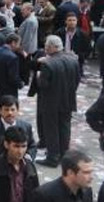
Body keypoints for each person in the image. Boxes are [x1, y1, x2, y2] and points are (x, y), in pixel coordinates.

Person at [35, 35, 81, 167]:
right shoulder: (73, 60)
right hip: (68, 99)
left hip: (51, 102)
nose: (45, 49)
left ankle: (53, 156)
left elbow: (43, 84)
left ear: (51, 47)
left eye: (46, 47)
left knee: (51, 129)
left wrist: (38, 76)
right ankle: (63, 154)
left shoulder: (47, 64)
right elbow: (77, 79)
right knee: (65, 127)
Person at [0, 126, 40, 202]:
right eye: (16, 146)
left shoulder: (30, 167)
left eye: (23, 146)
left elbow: (36, 196)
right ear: (6, 144)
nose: (20, 151)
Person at [0, 95, 37, 164]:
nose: (10, 113)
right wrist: (2, 164)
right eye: (6, 110)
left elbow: (32, 146)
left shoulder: (26, 127)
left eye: (12, 110)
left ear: (17, 110)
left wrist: (27, 158)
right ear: (0, 111)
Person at [0, 34, 24, 109]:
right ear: (13, 43)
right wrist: (20, 84)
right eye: (18, 44)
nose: (19, 46)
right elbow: (13, 77)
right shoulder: (13, 57)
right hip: (7, 91)